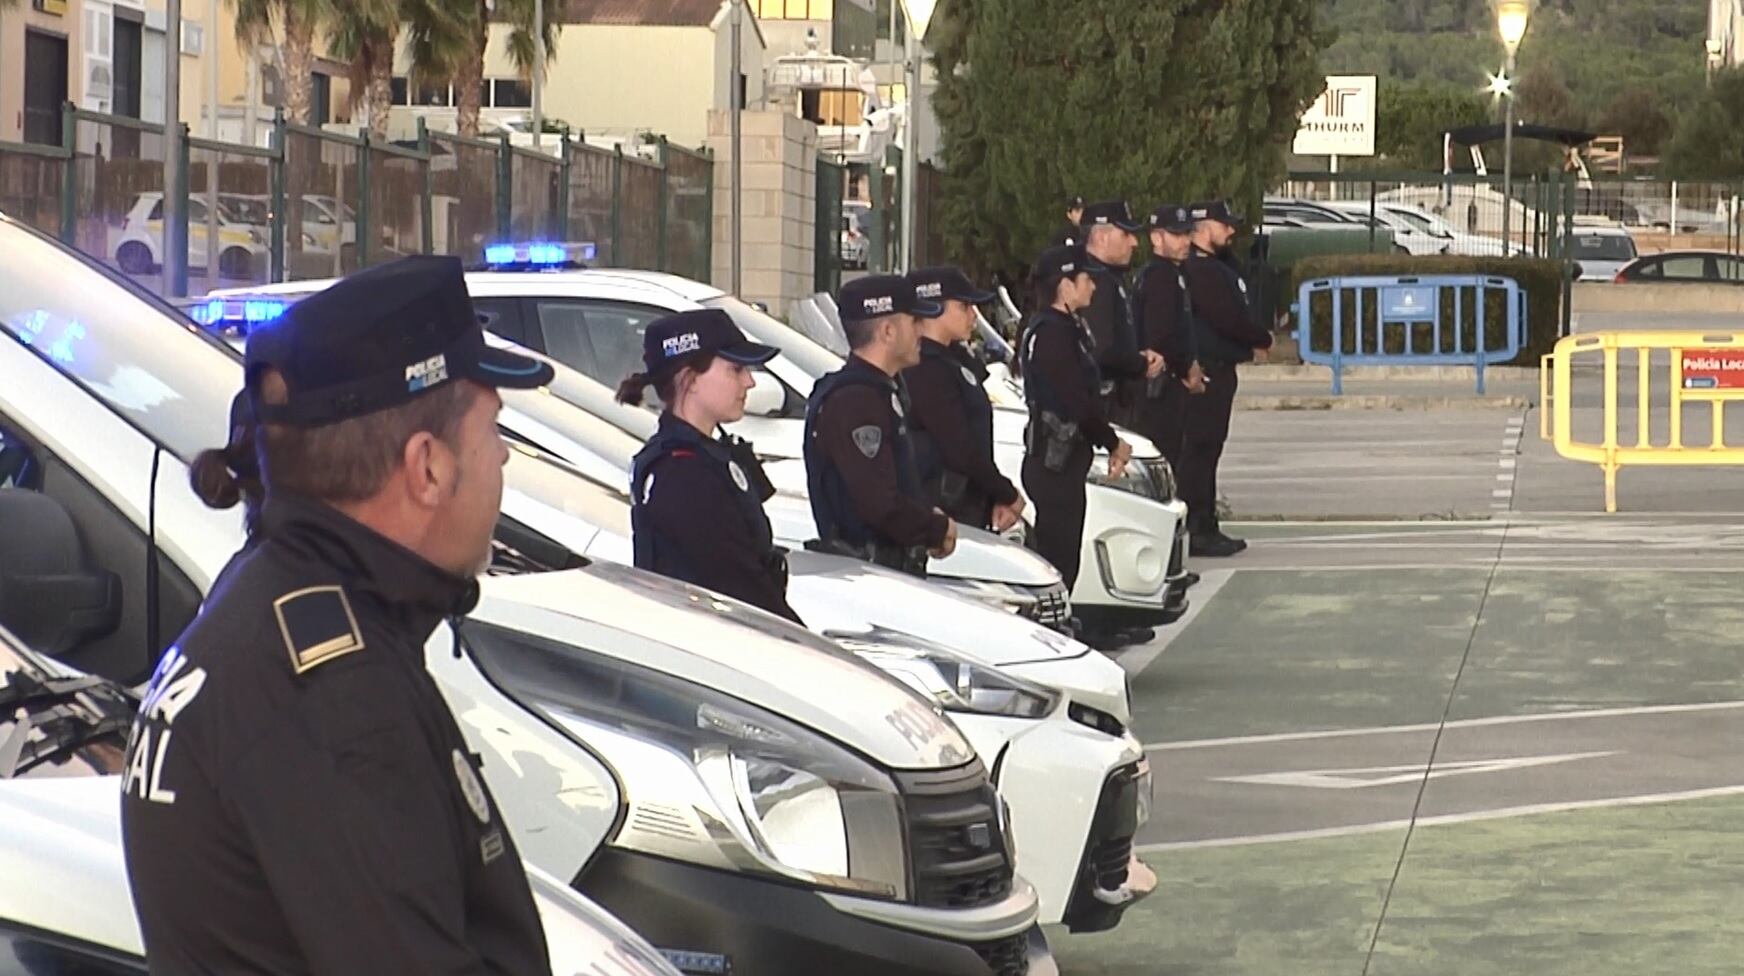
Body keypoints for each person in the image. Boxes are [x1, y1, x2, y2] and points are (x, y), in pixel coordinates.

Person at [121, 255, 556, 975]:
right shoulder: (335, 699)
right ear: (427, 467)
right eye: (493, 433)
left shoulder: (268, 599)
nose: (504, 457)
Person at [620, 308, 802, 624]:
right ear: (689, 379)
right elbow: (740, 586)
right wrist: (805, 644)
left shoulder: (705, 455)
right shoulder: (683, 474)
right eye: (735, 369)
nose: (749, 382)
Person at [1019, 243, 1142, 647]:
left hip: (1063, 459)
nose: (1093, 286)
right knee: (1057, 558)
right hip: (1054, 459)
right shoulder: (1053, 333)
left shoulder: (1063, 328)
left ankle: (1053, 629)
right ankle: (1045, 636)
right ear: (1065, 287)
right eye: (1086, 279)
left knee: (1063, 553)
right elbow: (1075, 401)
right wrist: (1111, 442)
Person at [804, 275, 958, 576]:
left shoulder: (877, 391)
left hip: (884, 572)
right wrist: (934, 528)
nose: (921, 332)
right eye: (915, 322)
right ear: (888, 331)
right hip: (869, 575)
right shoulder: (855, 401)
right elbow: (878, 504)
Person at [901, 266, 1026, 533]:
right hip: (943, 507)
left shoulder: (952, 359)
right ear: (932, 308)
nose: (973, 315)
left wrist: (993, 496)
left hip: (966, 503)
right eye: (964, 306)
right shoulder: (923, 366)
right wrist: (1006, 494)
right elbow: (958, 447)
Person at [1181, 200, 1273, 557]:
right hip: (1207, 369)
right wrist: (1259, 338)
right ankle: (1197, 526)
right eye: (1224, 226)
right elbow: (1226, 317)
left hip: (1222, 368)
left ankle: (1206, 521)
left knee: (1209, 450)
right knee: (1199, 451)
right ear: (1203, 228)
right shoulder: (1200, 271)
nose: (1231, 232)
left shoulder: (1218, 266)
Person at [1078, 200, 1166, 428]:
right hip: (1103, 403)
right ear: (1101, 237)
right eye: (1126, 235)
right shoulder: (1094, 281)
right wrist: (1140, 363)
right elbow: (1100, 349)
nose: (1135, 243)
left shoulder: (1109, 278)